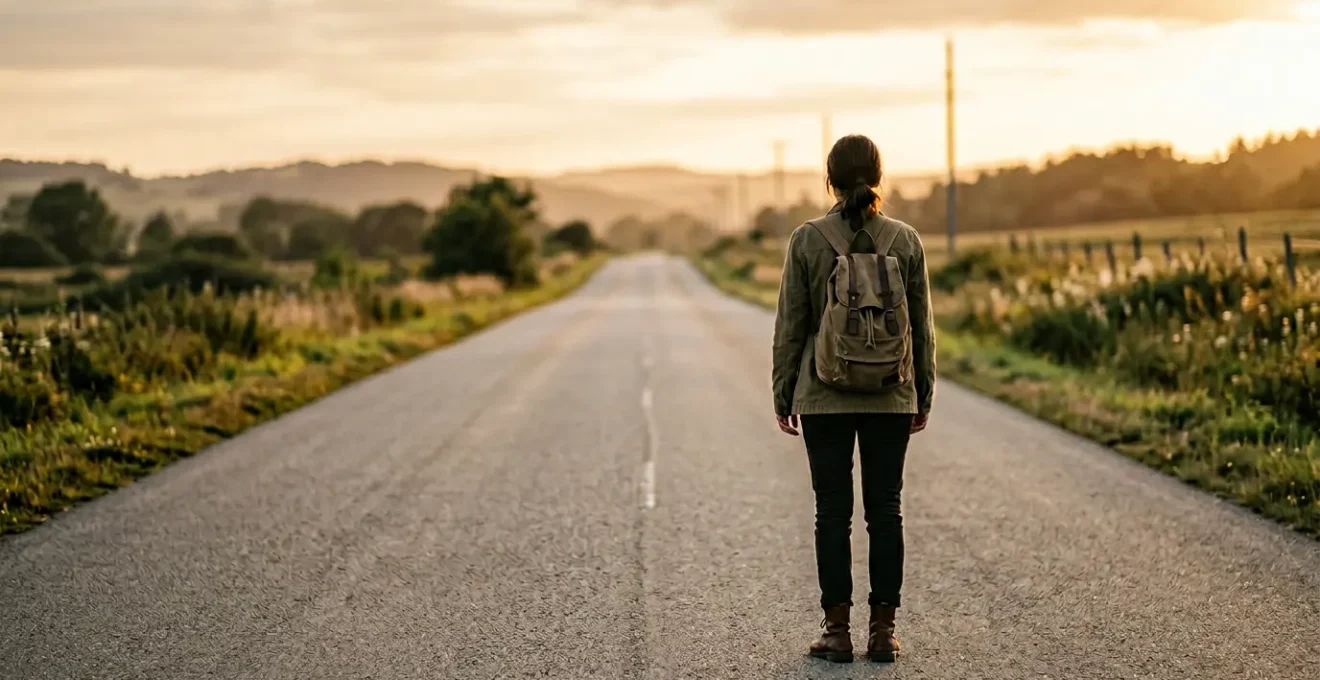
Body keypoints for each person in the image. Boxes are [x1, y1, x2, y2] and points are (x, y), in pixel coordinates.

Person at [771, 134, 936, 664]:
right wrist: (922, 392)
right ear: (879, 178)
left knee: (832, 513)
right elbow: (923, 328)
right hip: (892, 394)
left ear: (830, 180)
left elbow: (791, 327)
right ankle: (883, 632)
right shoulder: (906, 240)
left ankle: (837, 631)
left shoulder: (806, 240)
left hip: (823, 395)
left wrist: (783, 393)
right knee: (886, 510)